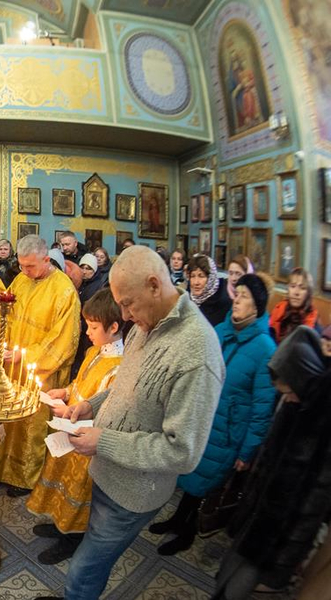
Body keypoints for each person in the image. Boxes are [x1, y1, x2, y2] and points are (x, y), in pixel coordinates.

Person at [53, 245, 224, 600]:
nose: (126, 316)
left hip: (133, 491)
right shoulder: (149, 322)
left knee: (84, 568)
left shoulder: (196, 352)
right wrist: (89, 406)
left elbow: (183, 451)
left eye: (128, 304)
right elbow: (126, 386)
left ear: (154, 285)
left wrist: (104, 441)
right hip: (107, 473)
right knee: (90, 560)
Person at [150, 273, 276, 556]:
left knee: (204, 483)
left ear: (257, 305)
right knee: (190, 473)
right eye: (237, 293)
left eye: (244, 296)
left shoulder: (265, 348)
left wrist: (248, 451)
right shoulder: (221, 330)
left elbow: (262, 407)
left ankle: (187, 532)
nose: (237, 299)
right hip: (201, 415)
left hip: (228, 428)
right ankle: (177, 519)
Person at [213, 327, 330, 598]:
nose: (286, 398)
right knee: (226, 576)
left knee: (238, 586)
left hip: (277, 534)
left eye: (290, 392)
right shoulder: (293, 406)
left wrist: (285, 562)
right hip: (258, 517)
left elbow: (315, 502)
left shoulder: (321, 422)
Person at [27, 288, 125, 564]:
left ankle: (72, 538)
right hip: (68, 429)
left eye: (93, 327)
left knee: (78, 491)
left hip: (86, 441)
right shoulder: (96, 351)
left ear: (114, 326)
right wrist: (65, 392)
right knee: (60, 481)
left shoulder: (119, 367)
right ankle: (59, 524)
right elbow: (82, 384)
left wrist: (71, 411)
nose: (87, 332)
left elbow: (106, 413)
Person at [0, 235, 80, 497]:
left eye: (30, 266)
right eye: (21, 265)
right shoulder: (21, 279)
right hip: (11, 365)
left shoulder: (64, 291)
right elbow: (6, 314)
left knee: (31, 425)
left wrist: (25, 356)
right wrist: (1, 340)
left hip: (40, 371)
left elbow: (63, 341)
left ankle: (23, 477)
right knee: (8, 419)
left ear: (47, 259)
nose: (25, 271)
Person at [269, 267, 319, 343]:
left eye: (302, 288)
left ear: (308, 293)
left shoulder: (313, 322)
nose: (296, 292)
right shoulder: (278, 310)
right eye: (292, 286)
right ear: (288, 289)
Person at [188, 254, 232, 327]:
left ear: (211, 278)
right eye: (192, 276)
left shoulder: (224, 303)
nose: (196, 282)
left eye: (201, 276)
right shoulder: (186, 299)